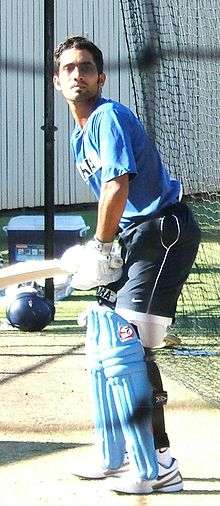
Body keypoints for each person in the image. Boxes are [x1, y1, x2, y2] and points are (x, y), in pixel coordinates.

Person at [53, 36, 201, 494]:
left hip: (163, 231)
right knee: (105, 339)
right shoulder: (81, 135)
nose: (78, 74)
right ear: (56, 80)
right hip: (136, 237)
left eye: (87, 67)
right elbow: (110, 198)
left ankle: (159, 461)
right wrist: (99, 249)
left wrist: (100, 244)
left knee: (130, 347)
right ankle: (117, 456)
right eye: (69, 68)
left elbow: (117, 187)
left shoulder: (108, 116)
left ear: (101, 77)